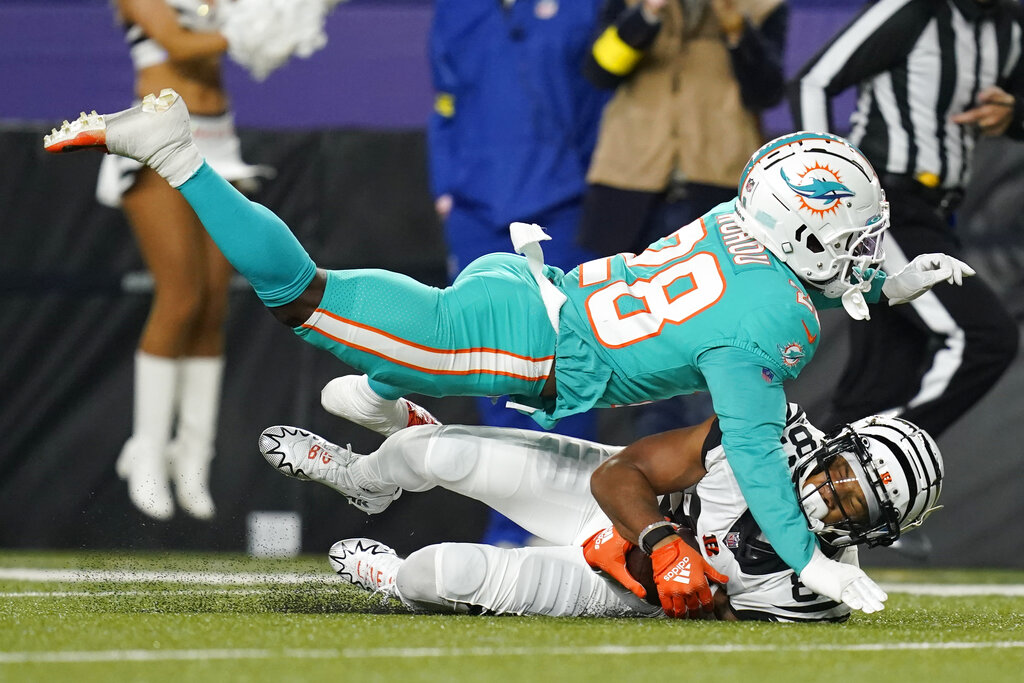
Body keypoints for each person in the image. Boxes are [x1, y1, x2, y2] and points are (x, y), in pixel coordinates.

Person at [43, 93, 970, 611]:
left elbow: (791, 284)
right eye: (851, 237)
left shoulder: (745, 227)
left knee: (388, 384)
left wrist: (888, 287)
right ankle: (177, 153)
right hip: (520, 351)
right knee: (305, 297)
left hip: (531, 290)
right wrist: (809, 560)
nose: (858, 251)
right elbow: (762, 461)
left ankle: (382, 403)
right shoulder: (772, 331)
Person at [257, 404, 943, 620]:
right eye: (839, 474)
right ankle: (361, 477)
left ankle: (395, 579)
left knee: (439, 574)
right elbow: (623, 471)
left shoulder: (815, 592)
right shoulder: (760, 431)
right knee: (428, 450)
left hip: (628, 586)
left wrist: (658, 570)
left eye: (854, 503)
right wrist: (659, 536)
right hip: (616, 501)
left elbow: (724, 628)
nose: (829, 494)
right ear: (831, 446)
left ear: (874, 533)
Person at [92, 0, 338, 521]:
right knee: (179, 298)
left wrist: (276, 19)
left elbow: (236, 28)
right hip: (156, 137)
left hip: (218, 140)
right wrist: (251, 32)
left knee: (211, 309)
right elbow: (179, 45)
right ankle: (146, 451)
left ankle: (192, 457)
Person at [418, 0, 610, 545]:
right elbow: (444, 100)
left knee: (569, 366)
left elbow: (604, 95)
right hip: (476, 212)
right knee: (491, 371)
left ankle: (577, 526)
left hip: (565, 208)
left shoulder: (584, 8)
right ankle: (509, 527)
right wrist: (446, 189)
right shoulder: (457, 11)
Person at [790, 0, 1022, 439]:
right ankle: (879, 455)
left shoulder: (1011, 26)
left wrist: (1014, 113)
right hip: (883, 207)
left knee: (878, 386)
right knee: (984, 339)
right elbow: (812, 83)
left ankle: (820, 477)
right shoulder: (916, 10)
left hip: (935, 215)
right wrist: (829, 189)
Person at [578, 0, 789, 438]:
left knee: (723, 340)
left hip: (719, 189)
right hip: (633, 190)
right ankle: (652, 480)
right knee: (641, 342)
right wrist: (648, 13)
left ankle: (721, 468)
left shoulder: (763, 6)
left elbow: (767, 91)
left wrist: (736, 27)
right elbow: (599, 70)